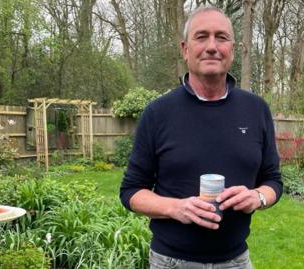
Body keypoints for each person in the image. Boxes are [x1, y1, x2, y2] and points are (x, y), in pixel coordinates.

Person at [120, 6, 282, 269]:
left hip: (236, 261)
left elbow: (273, 180)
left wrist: (257, 198)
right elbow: (131, 192)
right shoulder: (158, 113)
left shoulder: (256, 110)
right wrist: (177, 208)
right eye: (201, 36)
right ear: (185, 49)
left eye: (221, 37)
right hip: (171, 261)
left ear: (233, 48)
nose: (211, 46)